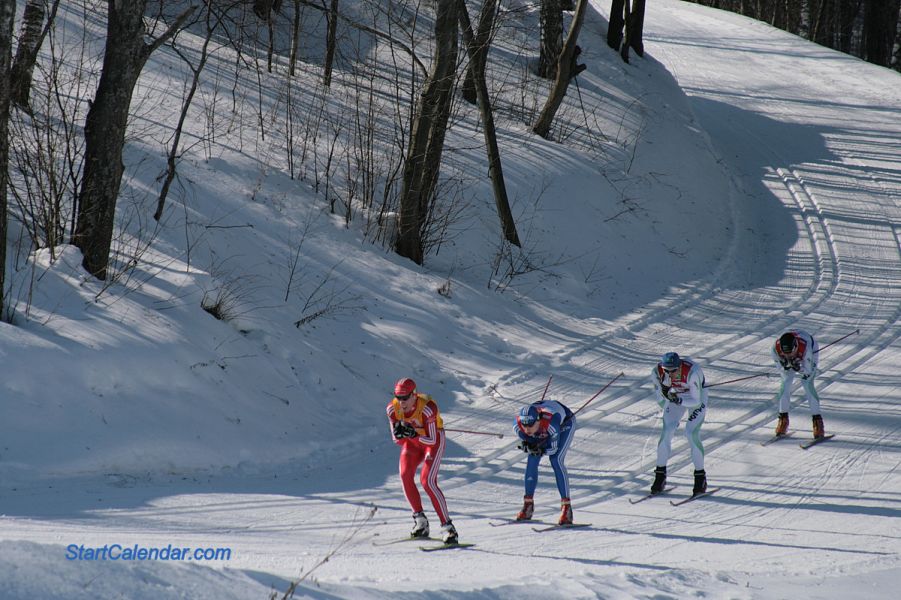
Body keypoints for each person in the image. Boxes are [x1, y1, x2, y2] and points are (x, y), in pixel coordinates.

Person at [385, 377, 458, 544]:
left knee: (427, 482)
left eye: (405, 397)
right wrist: (403, 434)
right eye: (398, 397)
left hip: (432, 442)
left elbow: (432, 440)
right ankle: (420, 521)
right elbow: (397, 440)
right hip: (413, 444)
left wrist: (413, 433)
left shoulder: (427, 409)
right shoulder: (392, 409)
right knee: (404, 475)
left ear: (414, 395)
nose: (401, 402)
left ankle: (448, 528)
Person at [649, 352, 708, 496]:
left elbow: (696, 401)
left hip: (694, 397)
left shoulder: (692, 372)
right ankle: (660, 476)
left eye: (673, 370)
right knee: (667, 431)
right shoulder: (657, 372)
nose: (670, 373)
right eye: (666, 370)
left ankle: (700, 478)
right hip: (676, 396)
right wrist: (669, 400)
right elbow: (661, 400)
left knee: (691, 433)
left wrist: (679, 400)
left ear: (679, 366)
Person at [513, 399, 577, 525]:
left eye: (530, 425)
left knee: (556, 460)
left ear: (538, 419)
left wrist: (539, 449)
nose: (527, 429)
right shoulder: (517, 426)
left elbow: (552, 449)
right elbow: (527, 438)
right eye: (524, 425)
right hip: (543, 427)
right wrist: (529, 445)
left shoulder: (551, 423)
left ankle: (566, 508)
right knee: (532, 459)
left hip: (565, 424)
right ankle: (528, 505)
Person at [772, 330, 824, 438]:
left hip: (810, 348)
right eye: (785, 353)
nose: (788, 355)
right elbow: (781, 369)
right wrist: (786, 366)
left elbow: (807, 371)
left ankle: (817, 423)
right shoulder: (775, 349)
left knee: (807, 383)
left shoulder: (805, 348)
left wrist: (798, 367)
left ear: (795, 347)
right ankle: (783, 420)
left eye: (790, 352)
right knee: (785, 382)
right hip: (797, 351)